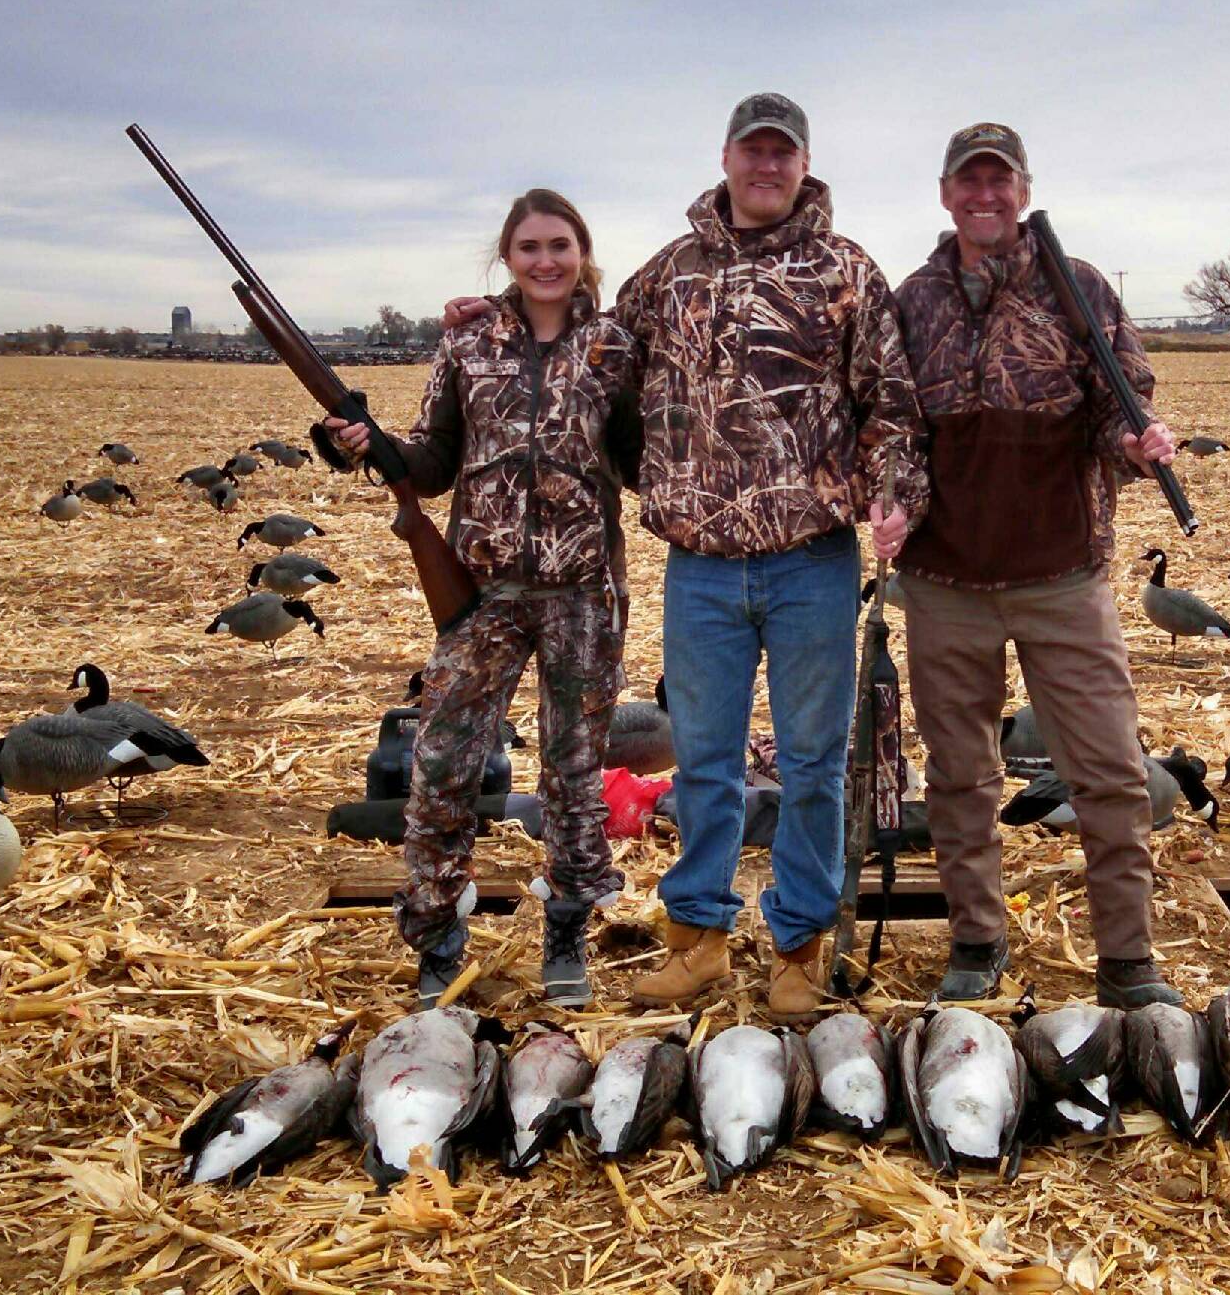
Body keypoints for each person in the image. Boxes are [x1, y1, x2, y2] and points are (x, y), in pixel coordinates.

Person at [446, 92, 927, 1020]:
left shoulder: (847, 271)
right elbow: (589, 349)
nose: (767, 167)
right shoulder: (670, 274)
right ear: (727, 157)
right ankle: (699, 938)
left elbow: (891, 402)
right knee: (703, 760)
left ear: (803, 162)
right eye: (753, 151)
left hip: (812, 560)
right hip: (701, 565)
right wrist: (497, 316)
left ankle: (798, 944)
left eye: (782, 153)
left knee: (816, 763)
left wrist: (894, 497)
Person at [891, 123, 1184, 1008]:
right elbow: (895, 425)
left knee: (1108, 770)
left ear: (1022, 190)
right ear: (946, 194)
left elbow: (1115, 406)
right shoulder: (914, 301)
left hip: (1063, 573)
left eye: (1001, 181)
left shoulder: (1079, 286)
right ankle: (977, 941)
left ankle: (1128, 961)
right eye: (969, 182)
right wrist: (894, 495)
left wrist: (1134, 442)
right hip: (947, 581)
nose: (985, 196)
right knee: (960, 774)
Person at [325, 188, 641, 1009]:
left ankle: (567, 928)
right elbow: (432, 459)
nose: (545, 260)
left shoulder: (613, 347)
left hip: (582, 592)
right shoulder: (468, 341)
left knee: (575, 775)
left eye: (560, 245)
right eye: (530, 245)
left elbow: (642, 459)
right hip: (484, 594)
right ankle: (437, 933)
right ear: (508, 255)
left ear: (582, 253)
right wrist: (370, 445)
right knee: (441, 765)